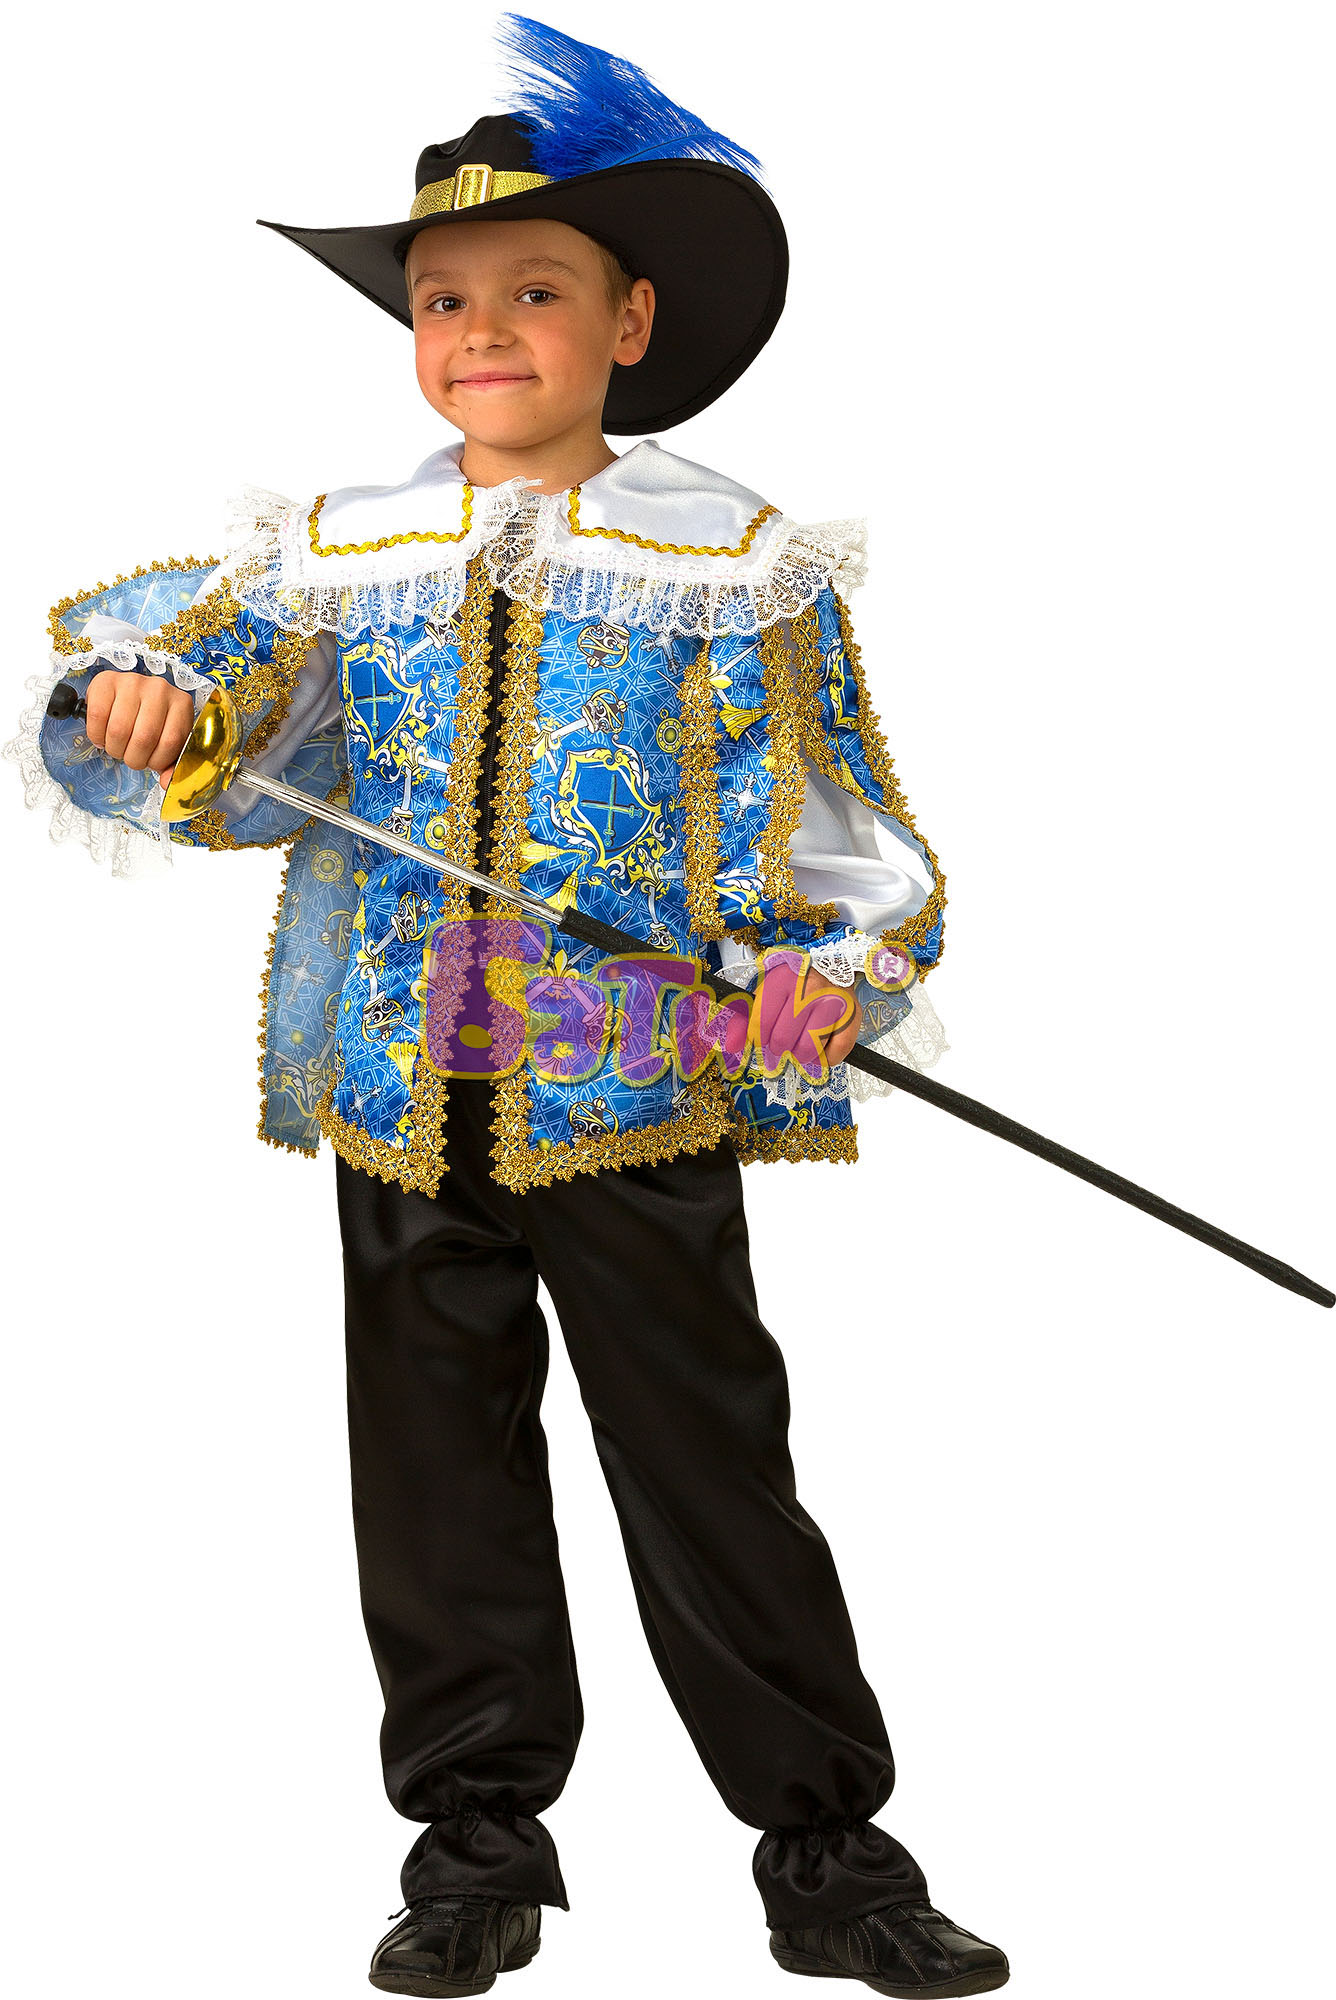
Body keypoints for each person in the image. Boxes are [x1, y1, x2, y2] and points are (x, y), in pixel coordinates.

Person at [3, 16, 1008, 1998]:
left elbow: (830, 815)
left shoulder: (726, 563)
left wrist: (832, 973)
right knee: (436, 1474)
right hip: (400, 1084)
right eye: (443, 300)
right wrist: (146, 709)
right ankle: (474, 1840)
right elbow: (197, 712)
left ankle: (823, 1846)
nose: (479, 331)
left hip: (622, 1079)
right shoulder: (336, 558)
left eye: (532, 293)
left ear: (628, 322)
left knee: (706, 1465)